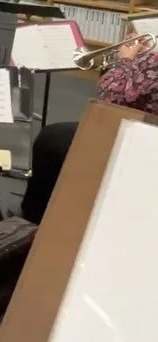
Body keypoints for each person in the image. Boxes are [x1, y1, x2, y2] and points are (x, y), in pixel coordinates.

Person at [22, 36, 158, 225]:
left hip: (141, 138)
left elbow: (110, 96)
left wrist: (125, 59)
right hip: (147, 126)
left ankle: (33, 219)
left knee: (51, 139)